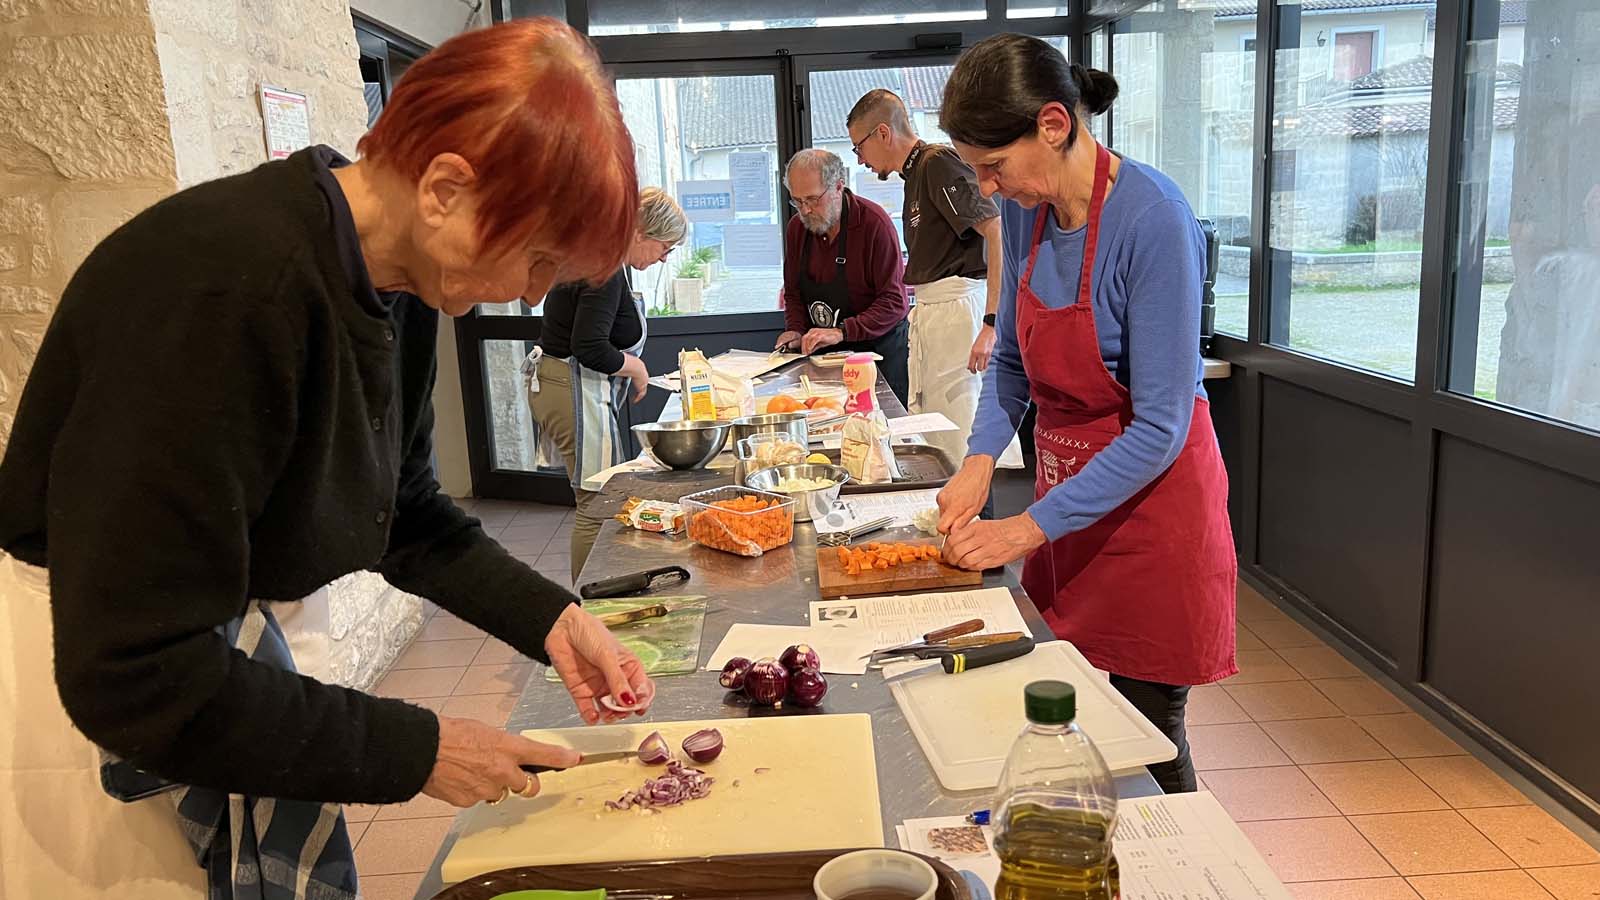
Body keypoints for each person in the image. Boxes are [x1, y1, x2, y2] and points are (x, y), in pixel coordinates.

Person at [0, 20, 656, 900]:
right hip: (104, 692)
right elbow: (134, 675)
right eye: (536, 259)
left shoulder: (396, 283)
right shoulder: (220, 288)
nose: (531, 294)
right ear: (445, 189)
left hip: (216, 657)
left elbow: (403, 510)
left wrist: (552, 620)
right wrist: (420, 749)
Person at [934, 34, 1238, 794]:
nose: (987, 188)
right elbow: (1012, 359)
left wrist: (1026, 528)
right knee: (1059, 705)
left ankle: (1172, 854)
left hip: (1154, 512)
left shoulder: (1153, 219)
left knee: (1148, 731)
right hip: (1070, 500)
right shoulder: (1029, 213)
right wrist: (979, 462)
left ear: (1053, 124)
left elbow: (1161, 427)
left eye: (993, 166)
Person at [845, 89, 1024, 475]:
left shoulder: (937, 162)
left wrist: (992, 323)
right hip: (935, 312)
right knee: (938, 438)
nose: (859, 158)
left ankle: (977, 514)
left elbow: (997, 231)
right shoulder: (914, 175)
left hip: (959, 312)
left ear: (882, 133)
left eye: (859, 147)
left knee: (963, 439)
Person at [527, 187, 688, 581]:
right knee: (597, 503)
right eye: (665, 248)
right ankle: (592, 598)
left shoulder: (602, 257)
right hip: (572, 388)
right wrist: (636, 368)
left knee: (599, 497)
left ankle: (599, 591)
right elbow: (589, 346)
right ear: (640, 233)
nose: (664, 258)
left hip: (567, 385)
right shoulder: (605, 266)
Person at [776, 148, 911, 405]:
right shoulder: (797, 229)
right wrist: (795, 329)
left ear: (838, 187)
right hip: (825, 361)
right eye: (797, 201)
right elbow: (793, 293)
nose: (805, 210)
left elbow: (894, 302)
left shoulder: (874, 224)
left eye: (812, 199)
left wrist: (842, 331)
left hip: (877, 357)